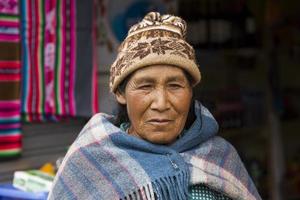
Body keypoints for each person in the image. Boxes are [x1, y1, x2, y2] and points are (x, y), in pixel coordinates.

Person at [48, 12, 261, 200]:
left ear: (191, 92)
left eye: (175, 86)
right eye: (145, 86)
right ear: (121, 93)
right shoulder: (91, 161)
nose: (161, 103)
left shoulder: (220, 156)